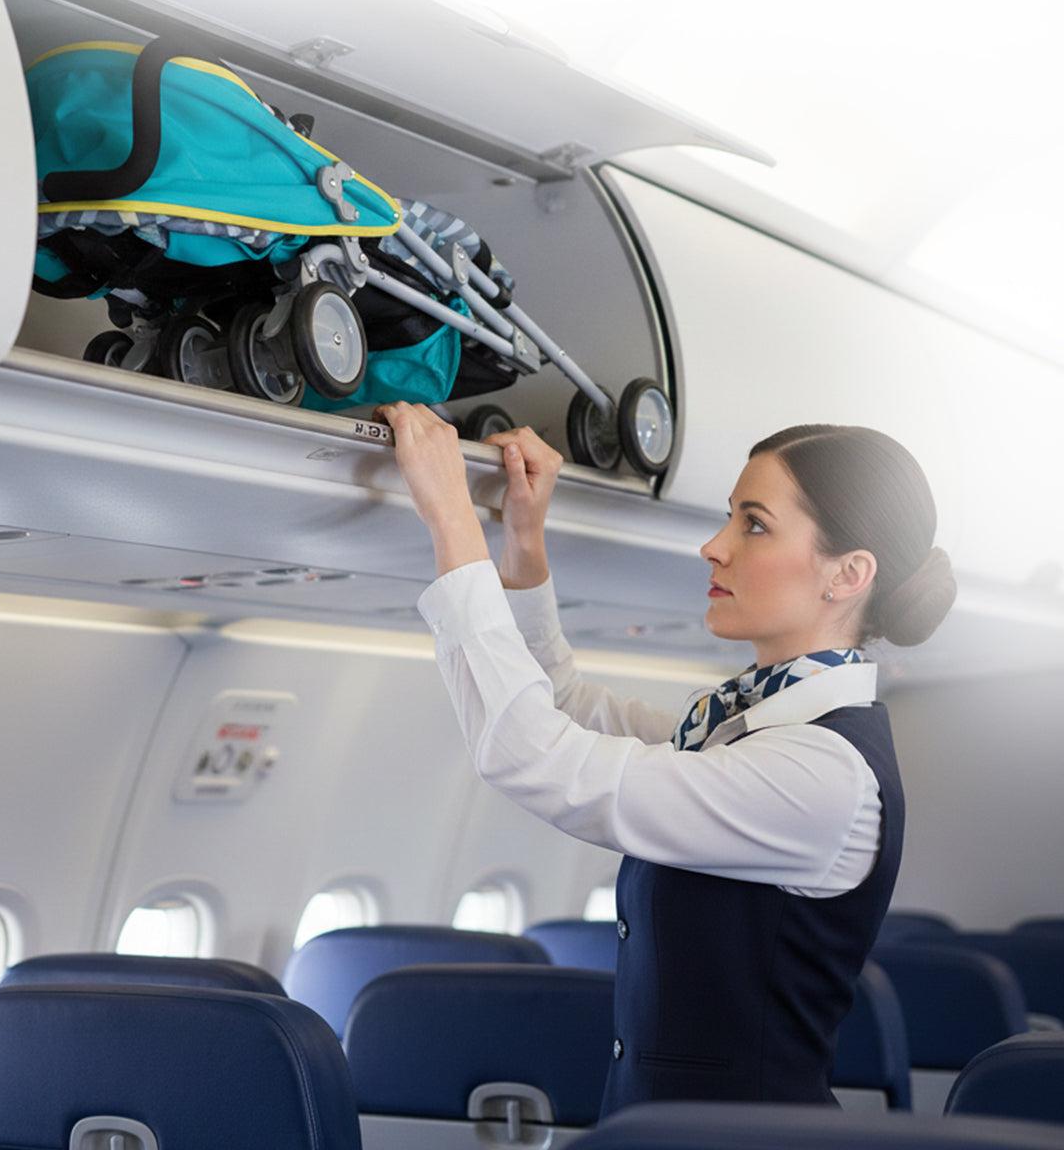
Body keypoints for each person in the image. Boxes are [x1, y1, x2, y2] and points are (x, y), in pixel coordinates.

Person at [375, 404, 957, 1112]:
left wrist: (450, 521)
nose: (714, 546)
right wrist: (521, 537)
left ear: (848, 574)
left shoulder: (820, 775)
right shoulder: (745, 728)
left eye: (754, 523)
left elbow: (539, 757)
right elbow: (562, 707)